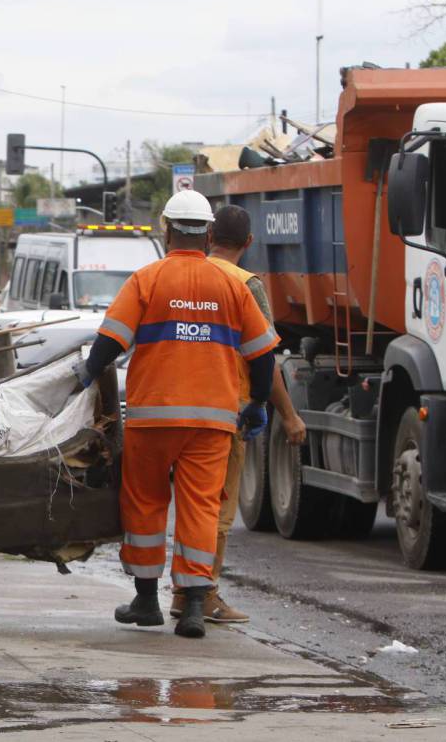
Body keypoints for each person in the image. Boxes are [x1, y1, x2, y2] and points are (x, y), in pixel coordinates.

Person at [74, 189, 277, 639]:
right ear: (207, 234)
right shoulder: (232, 285)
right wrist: (258, 403)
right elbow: (263, 355)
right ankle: (192, 608)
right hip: (212, 423)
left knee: (145, 503)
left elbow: (110, 343)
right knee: (201, 509)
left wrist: (84, 376)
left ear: (166, 230)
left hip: (153, 418)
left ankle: (146, 602)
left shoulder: (147, 279)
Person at [160, 205, 307, 624]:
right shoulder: (245, 284)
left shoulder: (178, 273)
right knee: (215, 511)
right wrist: (287, 414)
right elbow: (264, 356)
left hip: (169, 406)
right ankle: (200, 595)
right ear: (249, 243)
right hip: (224, 412)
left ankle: (173, 594)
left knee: (170, 505)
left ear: (208, 237)